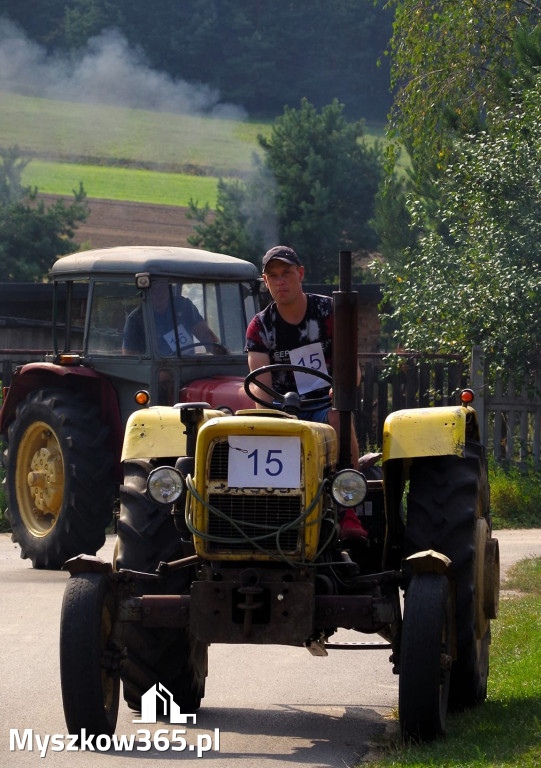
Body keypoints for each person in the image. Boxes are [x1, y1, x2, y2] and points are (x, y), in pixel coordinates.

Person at [245, 245, 367, 542]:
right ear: (265, 281)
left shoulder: (330, 313)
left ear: (300, 274)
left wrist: (336, 388)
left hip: (325, 403)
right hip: (282, 409)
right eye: (273, 276)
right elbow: (261, 385)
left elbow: (354, 373)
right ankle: (262, 514)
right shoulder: (260, 327)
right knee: (256, 426)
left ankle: (347, 509)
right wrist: (270, 418)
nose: (280, 281)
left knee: (338, 413)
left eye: (286, 273)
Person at [123, 281, 224, 356]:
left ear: (169, 290)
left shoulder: (184, 306)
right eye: (154, 290)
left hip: (188, 367)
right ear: (147, 294)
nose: (159, 294)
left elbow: (206, 337)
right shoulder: (136, 319)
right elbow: (131, 357)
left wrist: (223, 354)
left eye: (162, 289)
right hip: (157, 374)